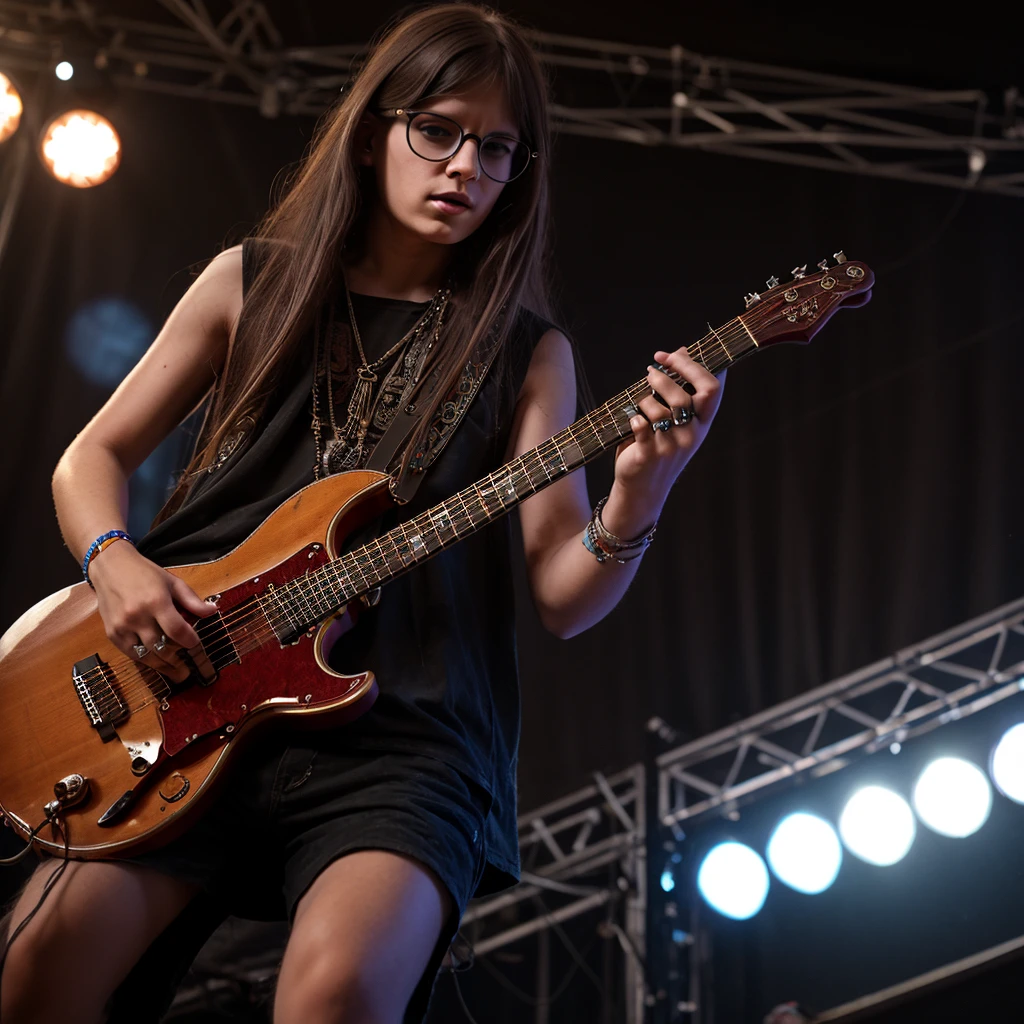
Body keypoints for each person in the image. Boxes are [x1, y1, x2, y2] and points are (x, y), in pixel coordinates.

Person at [0, 4, 724, 1023]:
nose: (467, 166)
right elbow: (92, 457)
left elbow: (564, 595)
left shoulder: (529, 353)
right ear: (376, 127)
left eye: (498, 148)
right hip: (185, 690)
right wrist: (115, 562)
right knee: (37, 972)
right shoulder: (250, 282)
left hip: (403, 734)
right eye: (439, 129)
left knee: (334, 994)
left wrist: (643, 482)